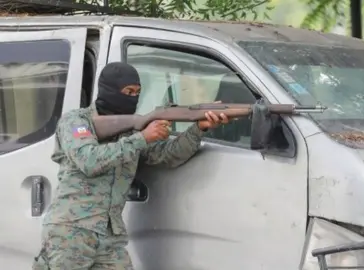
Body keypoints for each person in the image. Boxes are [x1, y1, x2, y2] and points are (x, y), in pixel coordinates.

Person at [32, 62, 229, 269]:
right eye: (128, 92)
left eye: (137, 92)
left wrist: (199, 128)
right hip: (72, 231)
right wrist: (142, 138)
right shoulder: (76, 121)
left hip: (110, 236)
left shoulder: (132, 133)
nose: (133, 98)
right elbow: (88, 160)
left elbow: (168, 155)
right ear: (109, 90)